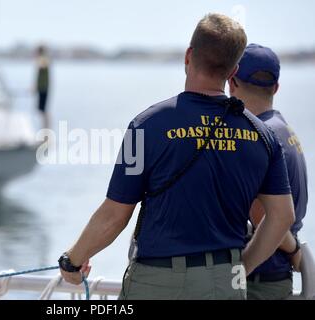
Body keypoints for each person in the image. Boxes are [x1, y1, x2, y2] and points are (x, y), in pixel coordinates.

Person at [58, 13, 296, 300]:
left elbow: (115, 215)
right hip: (224, 282)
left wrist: (73, 259)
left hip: (157, 282)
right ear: (233, 71)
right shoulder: (262, 136)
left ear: (188, 56)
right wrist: (241, 267)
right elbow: (282, 217)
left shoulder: (146, 125)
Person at [229, 44, 308, 300]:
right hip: (277, 278)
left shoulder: (255, 137)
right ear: (275, 88)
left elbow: (267, 215)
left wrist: (295, 250)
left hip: (256, 283)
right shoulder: (285, 130)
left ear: (232, 82)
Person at [35, 45, 50, 129]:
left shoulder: (43, 59)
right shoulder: (42, 59)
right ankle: (44, 127)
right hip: (41, 87)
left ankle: (46, 127)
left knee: (43, 108)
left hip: (44, 87)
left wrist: (39, 61)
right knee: (41, 109)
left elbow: (43, 65)